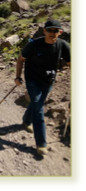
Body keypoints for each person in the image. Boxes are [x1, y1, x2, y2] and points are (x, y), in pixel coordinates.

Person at [15, 20, 70, 156]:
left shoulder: (63, 45)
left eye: (55, 31)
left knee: (37, 102)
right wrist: (17, 77)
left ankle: (26, 121)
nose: (52, 33)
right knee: (39, 107)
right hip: (32, 78)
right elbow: (21, 59)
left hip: (48, 80)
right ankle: (41, 143)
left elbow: (70, 62)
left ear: (60, 32)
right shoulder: (34, 44)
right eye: (49, 30)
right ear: (44, 31)